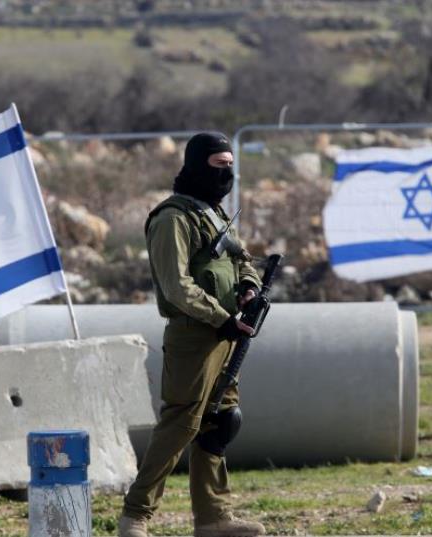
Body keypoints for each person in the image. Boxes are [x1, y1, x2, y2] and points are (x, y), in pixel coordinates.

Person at [119, 133, 266, 537]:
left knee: (220, 422)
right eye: (219, 165)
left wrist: (250, 286)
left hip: (227, 333)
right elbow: (175, 286)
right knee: (181, 423)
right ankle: (136, 515)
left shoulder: (215, 213)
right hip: (195, 334)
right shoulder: (173, 218)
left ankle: (213, 517)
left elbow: (242, 258)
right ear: (198, 165)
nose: (227, 174)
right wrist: (219, 318)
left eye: (230, 165)